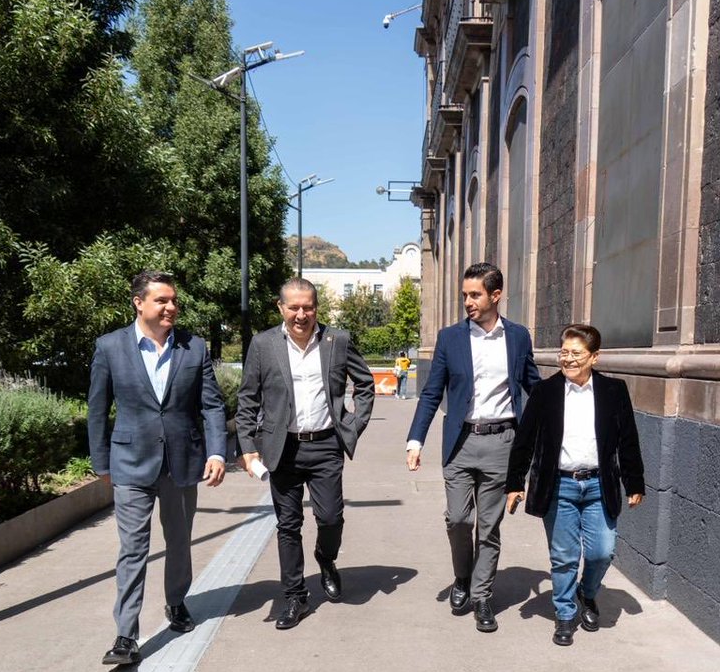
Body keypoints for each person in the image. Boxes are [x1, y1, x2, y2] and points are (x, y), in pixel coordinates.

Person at [88, 270, 227, 666]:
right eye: (162, 300)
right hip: (130, 462)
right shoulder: (110, 347)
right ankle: (125, 636)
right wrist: (101, 462)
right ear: (139, 303)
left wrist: (217, 453)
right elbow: (97, 409)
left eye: (173, 301)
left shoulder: (193, 348)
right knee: (133, 548)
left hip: (183, 461)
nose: (171, 307)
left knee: (180, 541)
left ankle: (176, 601)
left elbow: (212, 406)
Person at [406, 262, 540, 632]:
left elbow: (532, 384)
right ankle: (461, 576)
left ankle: (481, 596)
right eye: (464, 295)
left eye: (475, 294)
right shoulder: (450, 338)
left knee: (490, 527)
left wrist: (555, 420)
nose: (467, 301)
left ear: (495, 296)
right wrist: (415, 439)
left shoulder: (517, 337)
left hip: (502, 442)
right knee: (459, 519)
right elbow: (432, 392)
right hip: (461, 442)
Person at [236, 278, 375, 629]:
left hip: (327, 445)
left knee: (330, 518)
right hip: (281, 448)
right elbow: (248, 400)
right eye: (294, 307)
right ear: (281, 308)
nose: (301, 314)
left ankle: (326, 558)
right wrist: (249, 448)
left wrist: (352, 427)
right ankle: (295, 596)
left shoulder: (337, 340)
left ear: (316, 307)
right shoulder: (263, 344)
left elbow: (365, 383)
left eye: (308, 307)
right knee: (288, 525)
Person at [505, 323, 644, 646]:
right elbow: (525, 440)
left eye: (576, 354)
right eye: (563, 352)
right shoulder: (545, 391)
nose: (567, 359)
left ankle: (588, 592)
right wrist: (515, 482)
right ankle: (565, 614)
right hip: (560, 486)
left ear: (594, 357)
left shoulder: (614, 391)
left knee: (602, 551)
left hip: (598, 484)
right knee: (564, 556)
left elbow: (628, 441)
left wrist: (634, 481)